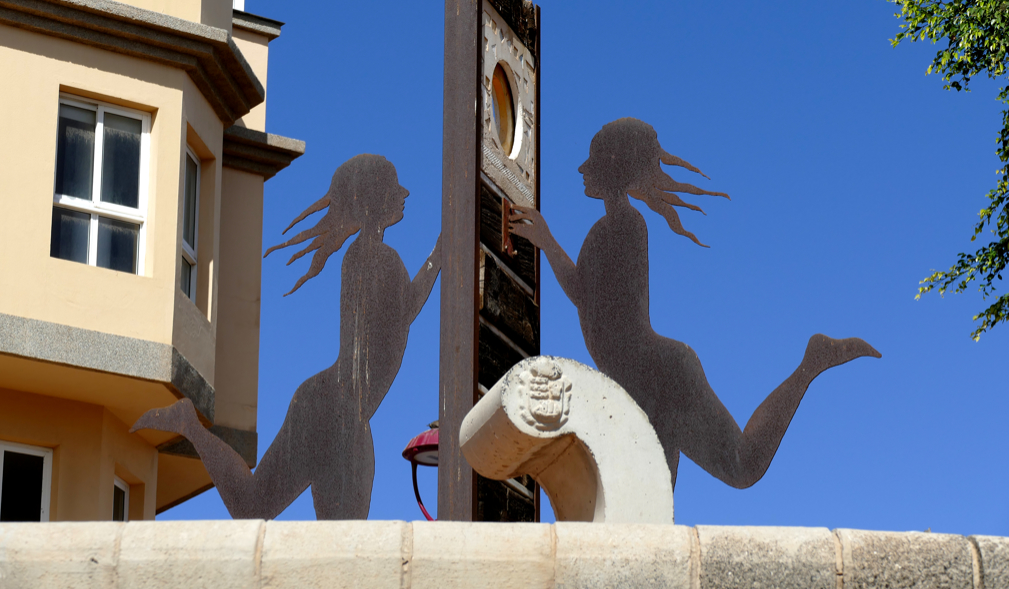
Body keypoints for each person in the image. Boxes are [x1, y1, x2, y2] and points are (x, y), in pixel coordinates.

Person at [510, 118, 879, 489]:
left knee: (740, 466)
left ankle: (811, 363)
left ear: (613, 168)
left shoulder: (628, 226)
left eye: (594, 162)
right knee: (668, 493)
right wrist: (545, 241)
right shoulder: (604, 230)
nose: (582, 170)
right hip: (643, 380)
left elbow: (605, 309)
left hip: (659, 377)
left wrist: (548, 242)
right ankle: (812, 361)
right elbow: (582, 293)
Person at [132, 154, 441, 518]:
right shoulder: (373, 259)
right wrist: (440, 252)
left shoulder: (367, 257)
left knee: (264, 512)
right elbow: (404, 312)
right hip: (336, 413)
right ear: (374, 201)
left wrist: (440, 252)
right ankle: (189, 426)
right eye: (393, 189)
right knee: (289, 522)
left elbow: (401, 313)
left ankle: (189, 426)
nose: (403, 195)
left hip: (340, 412)